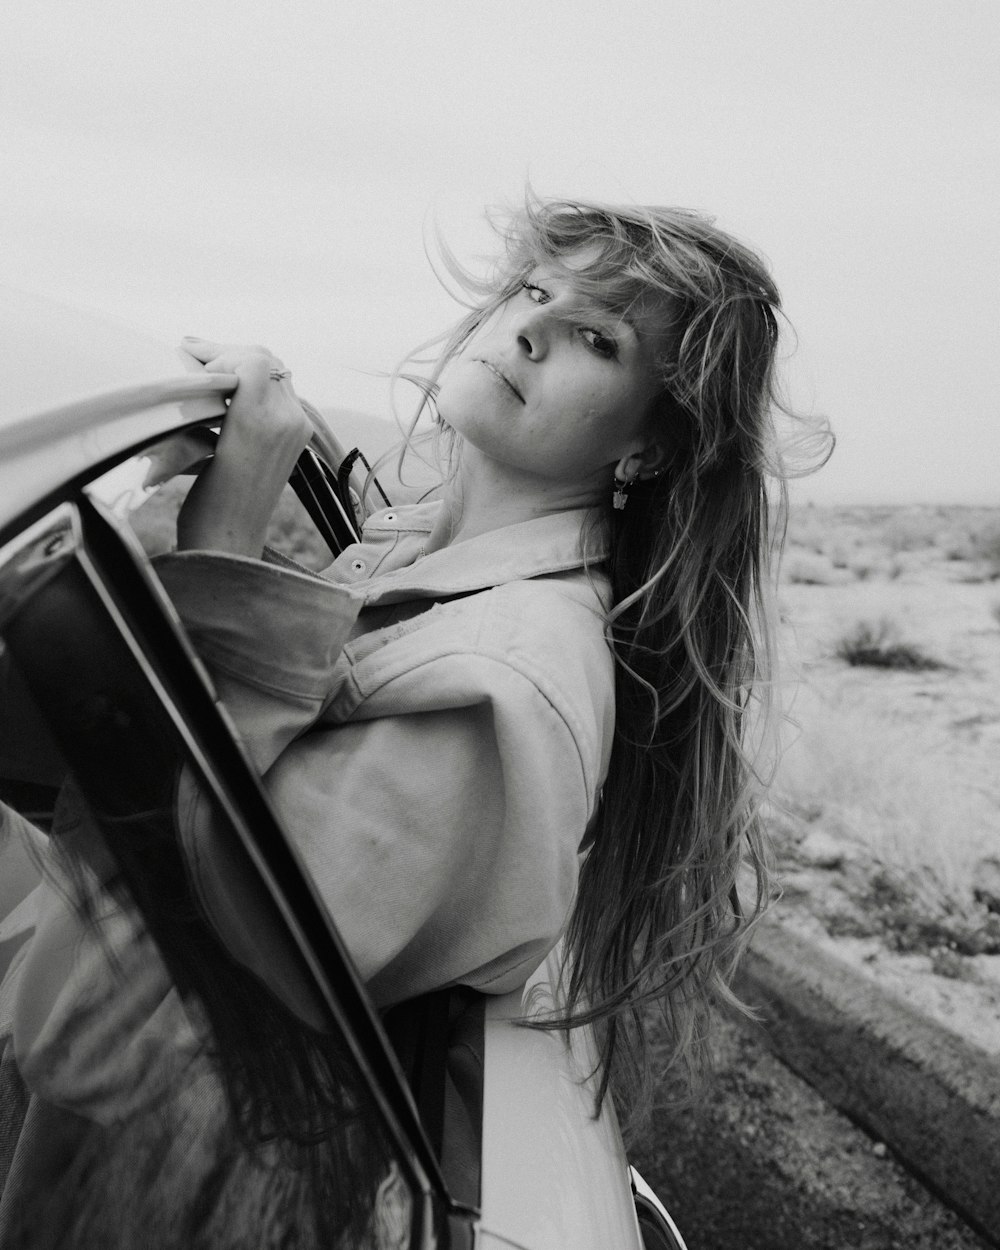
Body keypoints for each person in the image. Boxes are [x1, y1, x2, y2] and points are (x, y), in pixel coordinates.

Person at [160, 194, 832, 1127]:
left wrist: (226, 545)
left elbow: (225, 941)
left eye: (598, 339)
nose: (529, 330)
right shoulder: (446, 557)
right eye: (532, 288)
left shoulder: (509, 679)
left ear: (654, 441)